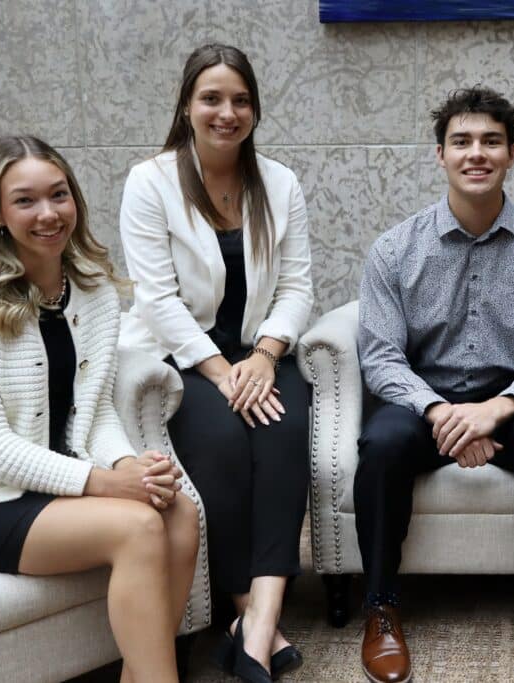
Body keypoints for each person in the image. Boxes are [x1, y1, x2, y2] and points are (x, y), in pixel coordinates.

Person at [0, 136, 199, 683]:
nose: (47, 213)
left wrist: (126, 466)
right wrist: (104, 483)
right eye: (25, 200)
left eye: (59, 195)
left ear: (76, 202)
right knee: (139, 526)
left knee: (181, 513)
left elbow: (91, 413)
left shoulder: (93, 292)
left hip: (53, 487)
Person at [355, 86, 514, 683]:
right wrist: (444, 416)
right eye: (462, 141)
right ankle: (380, 607)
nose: (475, 153)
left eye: (491, 141)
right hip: (422, 398)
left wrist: (494, 411)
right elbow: (380, 358)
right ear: (440, 155)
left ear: (512, 153)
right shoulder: (395, 249)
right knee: (380, 445)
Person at [118, 43, 313, 683]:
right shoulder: (151, 182)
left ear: (254, 110)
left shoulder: (280, 182)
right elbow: (157, 297)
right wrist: (220, 372)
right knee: (226, 437)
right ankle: (245, 611)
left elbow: (298, 288)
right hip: (181, 358)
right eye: (211, 98)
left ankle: (258, 622)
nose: (226, 112)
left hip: (259, 352)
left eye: (239, 100)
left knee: (284, 432)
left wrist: (263, 355)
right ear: (186, 105)